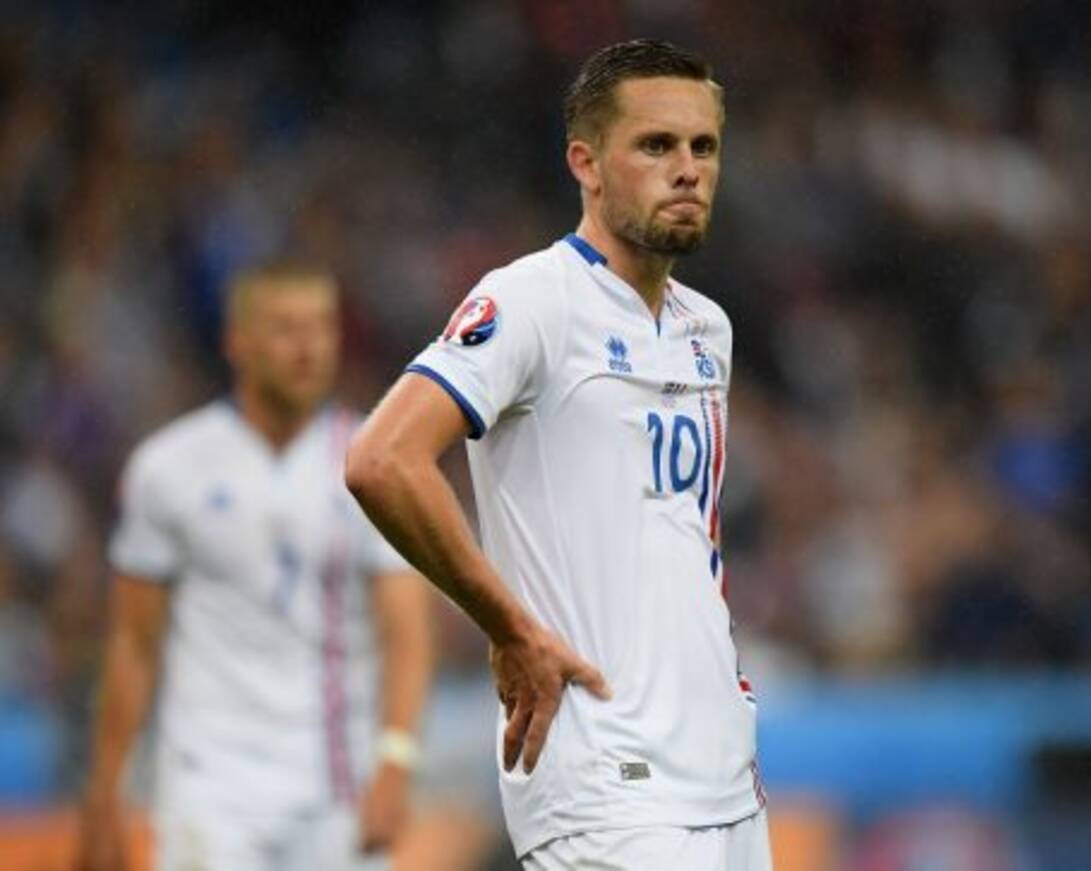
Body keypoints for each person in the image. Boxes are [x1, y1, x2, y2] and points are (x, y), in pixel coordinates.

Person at [346, 39, 771, 869]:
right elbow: (382, 459)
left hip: (725, 773)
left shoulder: (705, 328)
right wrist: (508, 626)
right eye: (656, 145)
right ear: (587, 163)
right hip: (607, 776)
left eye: (703, 146)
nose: (687, 169)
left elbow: (685, 541)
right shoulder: (533, 299)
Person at [77, 262, 433, 871]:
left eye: (321, 327)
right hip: (208, 786)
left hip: (337, 786)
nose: (307, 348)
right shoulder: (168, 468)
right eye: (286, 329)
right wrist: (104, 791)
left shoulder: (373, 464)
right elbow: (133, 643)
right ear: (236, 341)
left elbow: (407, 632)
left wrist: (397, 761)